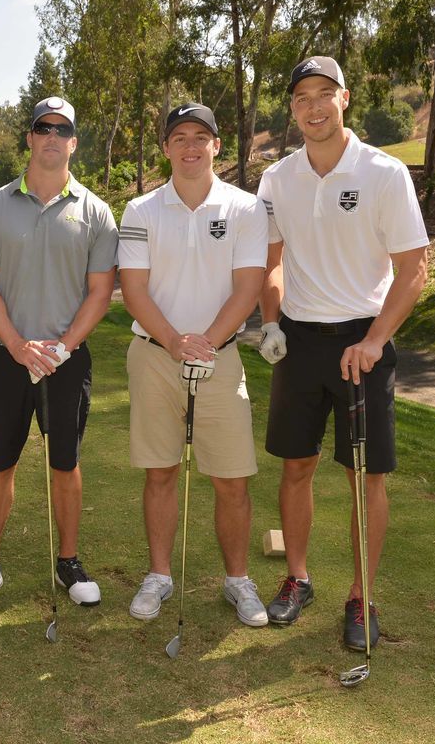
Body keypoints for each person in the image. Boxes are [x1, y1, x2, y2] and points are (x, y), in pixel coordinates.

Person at [257, 56, 430, 651]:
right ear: (292, 109)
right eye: (302, 96)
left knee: (366, 476)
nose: (313, 106)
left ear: (345, 98)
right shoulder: (278, 177)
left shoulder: (383, 173)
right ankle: (297, 577)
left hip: (365, 339)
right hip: (300, 341)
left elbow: (414, 269)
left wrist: (376, 339)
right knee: (295, 465)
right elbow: (271, 262)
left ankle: (362, 596)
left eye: (324, 94)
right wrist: (271, 323)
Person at [0, 97, 118, 613]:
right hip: (6, 356)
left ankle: (68, 560)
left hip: (65, 359)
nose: (51, 136)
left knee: (65, 463)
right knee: (0, 461)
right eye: (42, 128)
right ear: (29, 137)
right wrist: (17, 345)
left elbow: (100, 291)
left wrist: (62, 347)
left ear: (73, 142)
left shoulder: (95, 211)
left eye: (62, 130)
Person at [118, 103, 269, 626]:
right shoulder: (140, 210)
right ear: (165, 148)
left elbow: (249, 286)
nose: (189, 146)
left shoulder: (246, 208)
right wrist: (177, 341)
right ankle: (159, 576)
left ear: (217, 146)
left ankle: (238, 580)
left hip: (220, 359)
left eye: (200, 137)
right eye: (179, 137)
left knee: (232, 479)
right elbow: (133, 290)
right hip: (156, 357)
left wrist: (205, 342)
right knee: (160, 472)